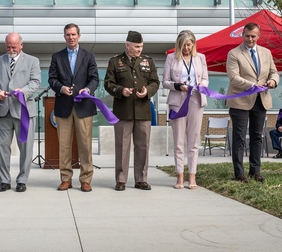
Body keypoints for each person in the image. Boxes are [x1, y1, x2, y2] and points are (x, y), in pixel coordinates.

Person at [105, 30, 160, 191]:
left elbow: (155, 82)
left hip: (143, 110)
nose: (139, 49)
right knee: (122, 146)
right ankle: (121, 179)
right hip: (123, 111)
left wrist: (148, 91)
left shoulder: (148, 61)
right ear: (127, 45)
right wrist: (121, 90)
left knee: (143, 146)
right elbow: (108, 83)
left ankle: (141, 179)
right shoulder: (115, 61)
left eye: (141, 46)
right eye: (136, 46)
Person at [48, 23, 100, 192]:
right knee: (63, 145)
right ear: (64, 37)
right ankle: (65, 179)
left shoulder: (88, 56)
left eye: (73, 34)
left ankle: (85, 179)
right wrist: (61, 88)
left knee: (85, 145)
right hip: (63, 106)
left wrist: (88, 89)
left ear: (79, 36)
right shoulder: (57, 56)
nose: (70, 37)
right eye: (67, 35)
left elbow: (94, 79)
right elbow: (52, 79)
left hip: (83, 106)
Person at [226, 22, 279, 183]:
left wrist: (272, 81)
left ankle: (255, 172)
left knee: (257, 137)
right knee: (239, 137)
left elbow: (274, 72)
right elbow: (234, 78)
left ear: (258, 36)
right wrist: (252, 86)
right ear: (243, 35)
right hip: (240, 100)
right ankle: (239, 174)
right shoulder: (234, 53)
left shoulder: (266, 52)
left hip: (261, 101)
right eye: (247, 36)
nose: (250, 39)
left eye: (253, 36)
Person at [0, 32, 42, 192]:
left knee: (26, 148)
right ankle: (4, 181)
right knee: (2, 148)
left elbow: (35, 82)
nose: (10, 49)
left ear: (21, 45)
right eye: (8, 46)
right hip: (2, 110)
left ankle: (22, 180)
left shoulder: (33, 61)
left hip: (24, 111)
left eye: (14, 46)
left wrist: (23, 91)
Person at [163, 30, 209, 189]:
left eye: (189, 45)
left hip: (196, 100)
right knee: (179, 141)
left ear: (193, 44)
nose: (186, 48)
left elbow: (205, 78)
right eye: (183, 45)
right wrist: (178, 86)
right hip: (178, 101)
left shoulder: (200, 58)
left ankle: (192, 176)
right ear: (179, 45)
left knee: (193, 139)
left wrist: (202, 85)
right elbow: (165, 82)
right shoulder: (171, 58)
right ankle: (180, 176)